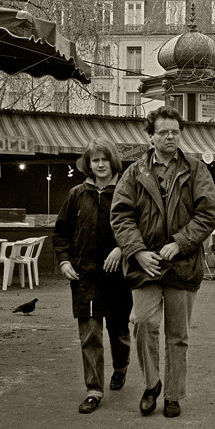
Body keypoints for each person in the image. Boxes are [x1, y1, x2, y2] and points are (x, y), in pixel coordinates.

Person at [110, 105, 215, 419]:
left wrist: (180, 243)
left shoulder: (196, 169)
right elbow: (120, 216)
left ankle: (173, 395)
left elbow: (209, 214)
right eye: (163, 132)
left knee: (178, 334)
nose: (170, 137)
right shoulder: (135, 172)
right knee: (143, 324)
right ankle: (151, 384)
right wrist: (137, 251)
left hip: (182, 265)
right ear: (151, 136)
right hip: (145, 266)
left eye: (175, 131)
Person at [52, 138, 132, 414]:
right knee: (90, 336)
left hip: (118, 276)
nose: (100, 164)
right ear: (88, 163)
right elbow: (60, 232)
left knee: (119, 332)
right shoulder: (77, 194)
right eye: (95, 160)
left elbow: (139, 228)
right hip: (84, 277)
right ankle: (94, 389)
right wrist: (64, 261)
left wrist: (122, 249)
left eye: (104, 159)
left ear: (113, 162)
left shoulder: (126, 191)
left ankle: (121, 367)